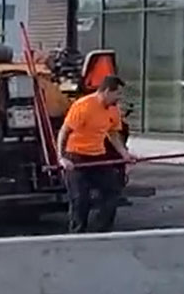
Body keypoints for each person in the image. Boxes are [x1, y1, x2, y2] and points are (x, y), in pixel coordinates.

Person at [57, 75, 135, 233]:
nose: (119, 98)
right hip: (76, 157)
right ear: (107, 91)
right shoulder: (83, 106)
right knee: (80, 199)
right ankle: (77, 234)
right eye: (117, 94)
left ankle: (102, 230)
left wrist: (124, 154)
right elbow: (64, 132)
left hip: (98, 156)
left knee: (112, 192)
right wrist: (62, 158)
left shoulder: (113, 109)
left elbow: (112, 133)